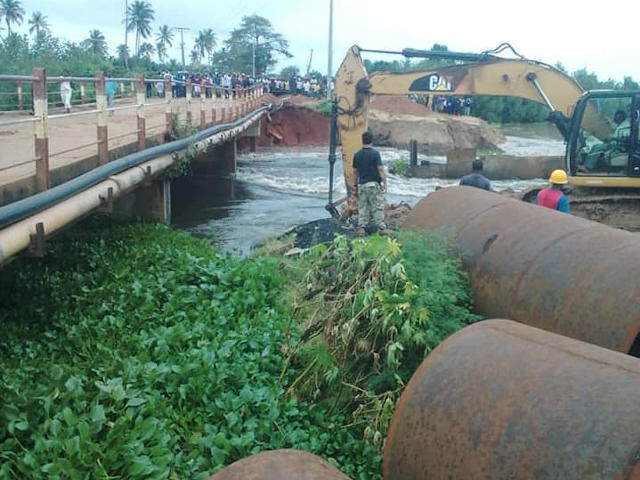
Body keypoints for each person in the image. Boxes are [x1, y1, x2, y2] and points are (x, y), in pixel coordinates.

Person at [353, 131, 388, 235]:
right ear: (372, 141)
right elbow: (380, 169)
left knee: (363, 207)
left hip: (362, 185)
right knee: (377, 206)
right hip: (373, 185)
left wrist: (355, 186)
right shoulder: (375, 154)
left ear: (362, 140)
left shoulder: (357, 155)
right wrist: (385, 183)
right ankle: (381, 227)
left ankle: (362, 228)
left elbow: (355, 172)